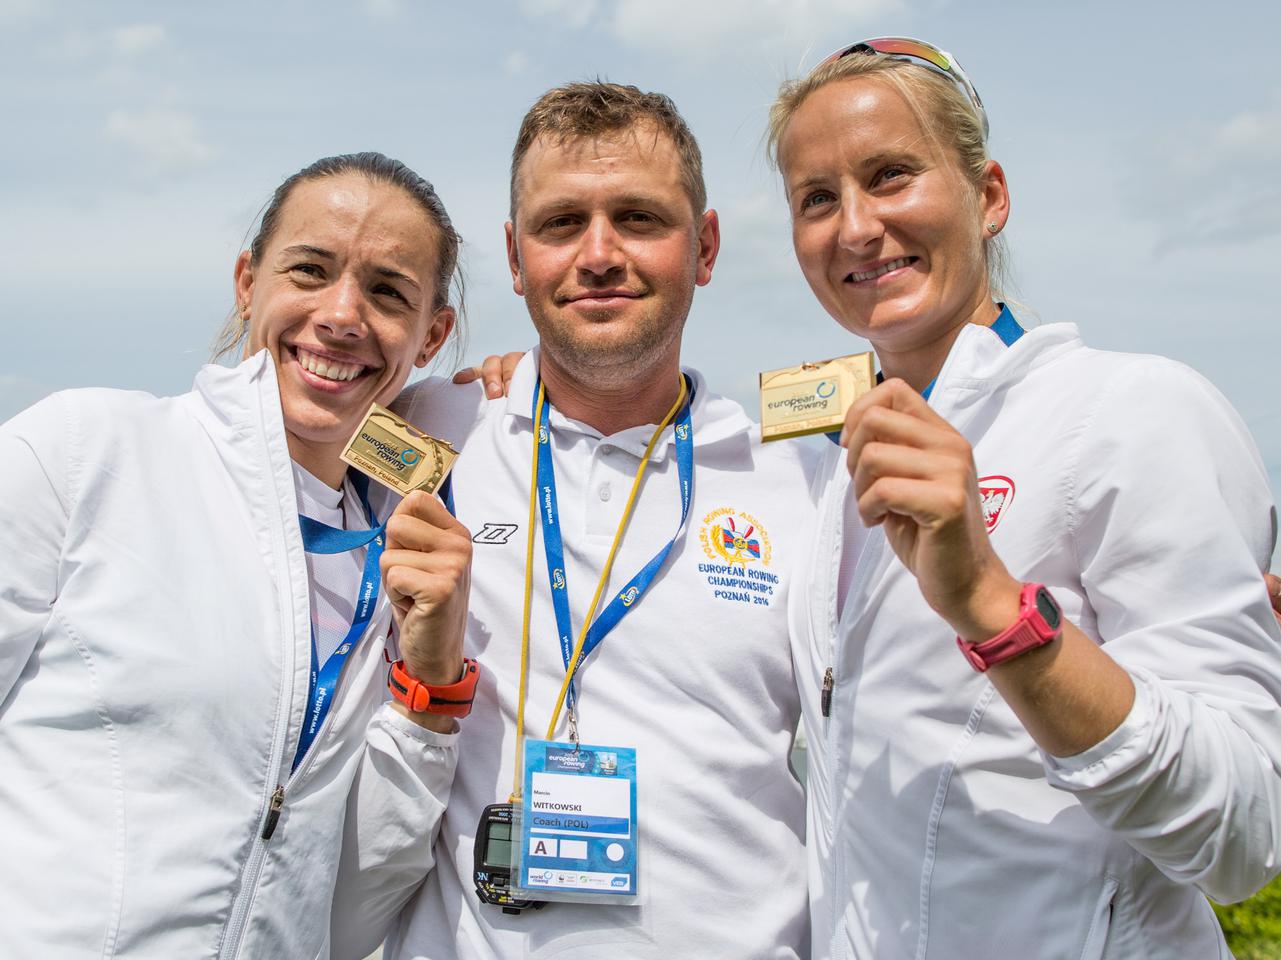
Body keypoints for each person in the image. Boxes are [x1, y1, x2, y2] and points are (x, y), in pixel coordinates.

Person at [767, 37, 1281, 958]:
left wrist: (995, 610)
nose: (853, 226)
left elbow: (1241, 836)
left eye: (889, 175)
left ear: (988, 195)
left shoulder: (1132, 410)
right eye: (816, 198)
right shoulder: (829, 481)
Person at [332, 82, 814, 960]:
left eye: (637, 218)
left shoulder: (798, 480)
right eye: (561, 225)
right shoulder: (420, 433)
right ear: (516, 259)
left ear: (703, 247)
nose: (598, 255)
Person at [0, 152, 473, 958]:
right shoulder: (85, 451)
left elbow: (350, 911)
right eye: (310, 270)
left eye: (388, 292)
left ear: (431, 334)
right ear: (247, 280)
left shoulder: (398, 560)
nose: (342, 314)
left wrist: (428, 693)